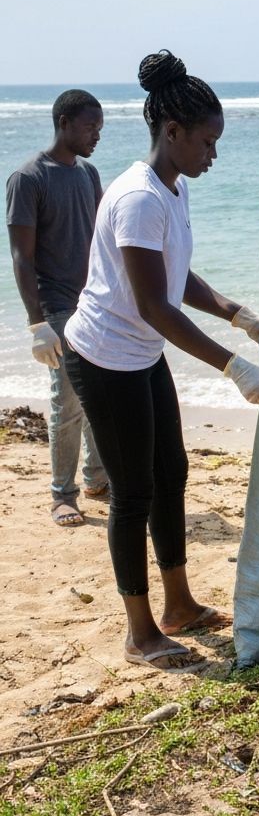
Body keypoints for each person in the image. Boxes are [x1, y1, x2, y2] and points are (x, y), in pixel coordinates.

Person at [63, 50, 259, 669]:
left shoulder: (171, 187)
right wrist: (233, 366)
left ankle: (179, 604)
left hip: (140, 352)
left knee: (173, 472)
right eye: (208, 141)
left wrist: (238, 312)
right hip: (105, 356)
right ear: (172, 132)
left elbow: (175, 276)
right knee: (133, 491)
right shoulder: (138, 198)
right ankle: (140, 633)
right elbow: (154, 304)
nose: (213, 153)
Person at [6, 90, 109, 527]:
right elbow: (21, 258)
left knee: (99, 397)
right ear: (64, 122)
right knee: (67, 403)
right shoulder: (28, 178)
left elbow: (105, 240)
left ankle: (97, 478)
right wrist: (37, 324)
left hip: (95, 304)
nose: (96, 137)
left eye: (100, 129)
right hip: (58, 308)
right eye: (90, 128)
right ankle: (61, 495)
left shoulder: (88, 173)